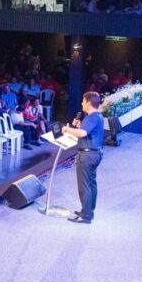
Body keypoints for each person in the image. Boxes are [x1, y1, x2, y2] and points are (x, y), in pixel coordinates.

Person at [62, 92, 105, 224]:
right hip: (95, 154)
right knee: (91, 184)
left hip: (87, 155)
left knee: (84, 185)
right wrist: (80, 125)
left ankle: (86, 216)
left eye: (83, 101)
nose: (81, 103)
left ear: (88, 102)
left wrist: (67, 129)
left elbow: (82, 133)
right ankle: (88, 210)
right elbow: (87, 131)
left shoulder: (92, 117)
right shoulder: (98, 116)